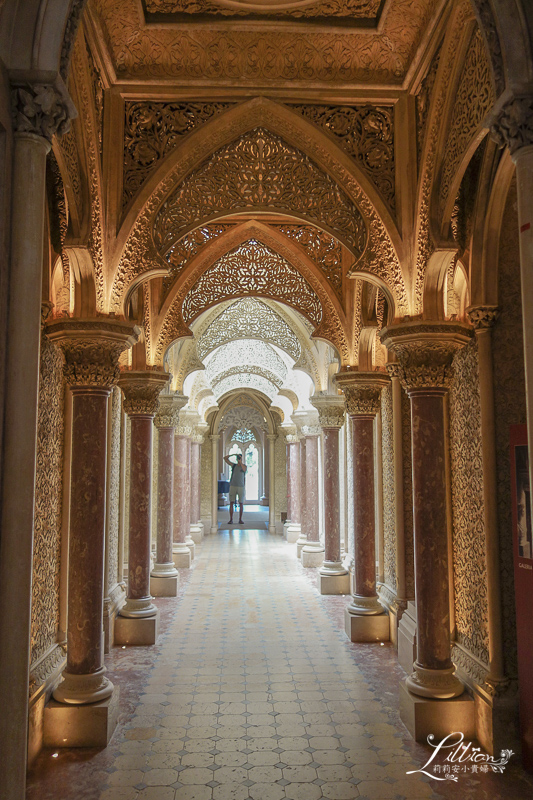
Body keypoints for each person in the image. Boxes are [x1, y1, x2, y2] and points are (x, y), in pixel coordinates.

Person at [224, 452, 247, 524]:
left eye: (240, 457)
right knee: (231, 502)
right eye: (238, 457)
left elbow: (244, 469)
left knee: (241, 503)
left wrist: (240, 462)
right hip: (233, 486)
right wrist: (233, 455)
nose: (239, 459)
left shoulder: (244, 466)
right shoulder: (233, 465)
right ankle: (231, 519)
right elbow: (225, 458)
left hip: (241, 486)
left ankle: (240, 519)